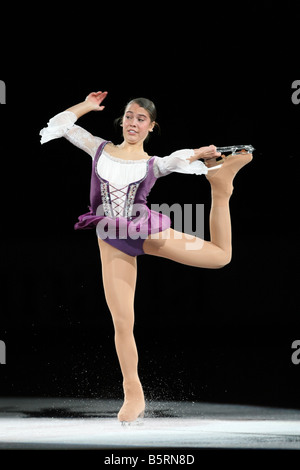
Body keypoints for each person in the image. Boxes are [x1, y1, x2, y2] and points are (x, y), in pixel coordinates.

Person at [40, 91, 253, 423]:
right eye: (128, 116)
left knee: (221, 257)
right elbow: (60, 124)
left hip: (144, 229)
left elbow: (174, 160)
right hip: (110, 236)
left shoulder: (151, 163)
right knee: (123, 321)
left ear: (152, 126)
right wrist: (87, 105)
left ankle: (220, 187)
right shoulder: (98, 148)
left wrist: (198, 154)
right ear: (121, 120)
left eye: (141, 118)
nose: (132, 122)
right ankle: (133, 394)